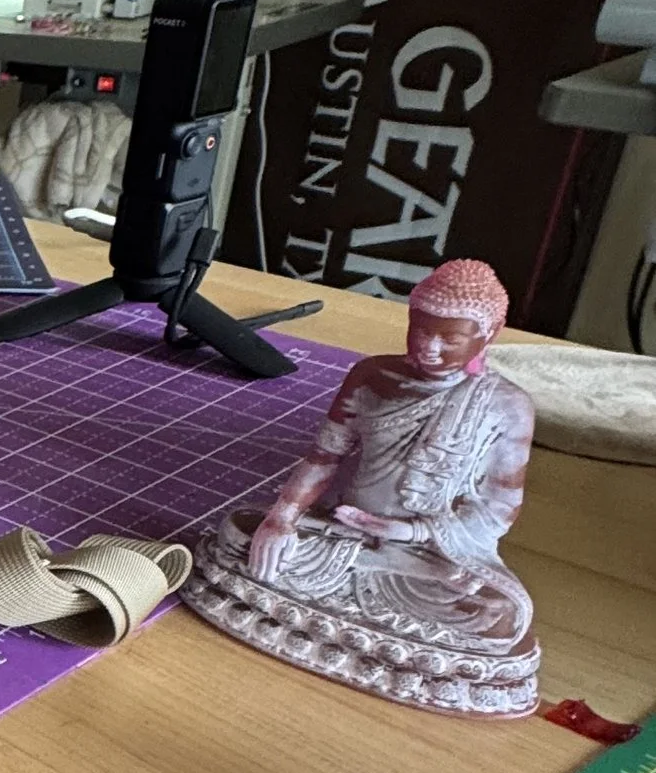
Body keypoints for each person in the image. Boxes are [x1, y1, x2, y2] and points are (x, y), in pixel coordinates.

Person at [184, 257, 539, 716]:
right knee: (239, 533)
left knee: (497, 615)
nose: (429, 348)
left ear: (488, 335)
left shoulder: (507, 404)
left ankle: (348, 622)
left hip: (425, 556)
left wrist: (408, 532)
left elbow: (498, 509)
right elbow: (323, 458)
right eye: (419, 330)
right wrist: (282, 519)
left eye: (449, 339)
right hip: (340, 536)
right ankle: (360, 622)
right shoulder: (371, 375)